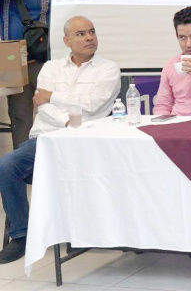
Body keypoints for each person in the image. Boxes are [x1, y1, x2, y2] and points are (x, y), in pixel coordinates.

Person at [0, 16, 120, 264]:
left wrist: (53, 96)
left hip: (85, 143)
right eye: (81, 34)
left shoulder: (108, 69)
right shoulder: (50, 68)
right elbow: (42, 107)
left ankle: (80, 231)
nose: (89, 37)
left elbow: (93, 105)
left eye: (92, 31)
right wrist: (67, 120)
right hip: (47, 139)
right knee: (7, 166)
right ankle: (21, 236)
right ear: (66, 41)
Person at [0, 0, 51, 148]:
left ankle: (52, 155)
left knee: (52, 109)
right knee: (19, 115)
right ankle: (21, 159)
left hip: (43, 61)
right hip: (13, 63)